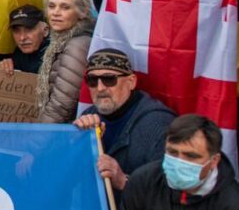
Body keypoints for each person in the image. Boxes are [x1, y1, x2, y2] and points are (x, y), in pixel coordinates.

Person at [74, 49, 175, 192]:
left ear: (131, 82)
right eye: (92, 80)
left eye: (109, 79)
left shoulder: (158, 124)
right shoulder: (87, 117)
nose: (100, 88)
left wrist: (123, 181)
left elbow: (167, 192)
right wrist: (75, 140)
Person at [35, 0, 96, 123]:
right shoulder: (60, 41)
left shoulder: (77, 45)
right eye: (51, 6)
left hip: (65, 132)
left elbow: (61, 105)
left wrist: (39, 137)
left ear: (83, 11)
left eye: (65, 7)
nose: (56, 13)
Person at [0, 5, 49, 73]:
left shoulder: (60, 56)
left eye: (29, 29)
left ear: (45, 31)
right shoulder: (18, 54)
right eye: (16, 31)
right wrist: (6, 67)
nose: (22, 38)